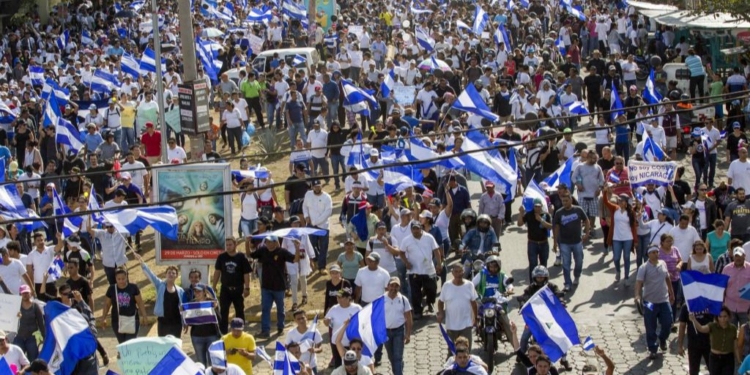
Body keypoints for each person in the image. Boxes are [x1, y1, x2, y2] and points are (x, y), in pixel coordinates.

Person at [248, 235, 301, 338]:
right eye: (267, 242)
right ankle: (265, 331)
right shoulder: (263, 250)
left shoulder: (282, 252)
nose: (269, 244)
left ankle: (280, 327)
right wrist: (247, 243)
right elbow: (250, 255)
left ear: (276, 242)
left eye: (271, 242)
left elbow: (295, 259)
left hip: (279, 287)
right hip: (266, 287)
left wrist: (297, 248)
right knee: (265, 309)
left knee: (280, 309)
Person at [635, 245, 676, 360]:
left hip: (664, 300)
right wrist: (637, 295)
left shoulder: (663, 263)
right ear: (648, 254)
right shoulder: (644, 268)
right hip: (649, 302)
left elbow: (667, 278)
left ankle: (662, 338)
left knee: (668, 322)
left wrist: (671, 293)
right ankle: (653, 349)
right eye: (652, 252)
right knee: (650, 325)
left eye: (656, 252)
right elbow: (639, 283)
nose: (655, 254)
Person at [400, 221, 442, 320]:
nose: (416, 230)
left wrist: (439, 264)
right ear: (411, 229)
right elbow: (401, 252)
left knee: (432, 289)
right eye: (414, 228)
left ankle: (430, 302)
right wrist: (406, 262)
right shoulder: (406, 240)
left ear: (421, 228)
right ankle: (418, 311)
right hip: (414, 270)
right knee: (415, 292)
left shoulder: (429, 237)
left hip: (428, 269)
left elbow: (436, 250)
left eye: (417, 228)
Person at [136, 253, 184, 337]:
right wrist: (141, 262)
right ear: (166, 274)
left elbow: (184, 308)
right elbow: (151, 275)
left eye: (173, 273)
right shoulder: (160, 285)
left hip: (176, 324)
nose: (171, 274)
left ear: (176, 276)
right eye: (169, 272)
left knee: (175, 346)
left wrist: (185, 322)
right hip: (163, 323)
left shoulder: (180, 290)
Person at [212, 237, 251, 334]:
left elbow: (246, 273)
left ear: (235, 244)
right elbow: (217, 272)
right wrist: (213, 286)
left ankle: (240, 331)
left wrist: (247, 288)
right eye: (227, 245)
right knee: (224, 312)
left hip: (238, 288)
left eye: (230, 245)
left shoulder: (241, 257)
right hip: (225, 289)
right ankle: (223, 333)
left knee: (239, 311)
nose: (228, 247)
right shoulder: (221, 257)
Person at [552, 192, 590, 292]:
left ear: (571, 200)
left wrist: (587, 233)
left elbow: (586, 220)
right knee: (566, 264)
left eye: (566, 200)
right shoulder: (559, 213)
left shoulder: (578, 209)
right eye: (563, 201)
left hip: (577, 242)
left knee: (579, 262)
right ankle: (567, 283)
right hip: (564, 243)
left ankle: (576, 276)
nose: (564, 202)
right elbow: (555, 227)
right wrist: (555, 243)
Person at [100, 268, 148, 344]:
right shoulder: (111, 289)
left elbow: (140, 302)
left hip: (132, 319)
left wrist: (144, 316)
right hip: (117, 321)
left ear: (127, 277)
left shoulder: (133, 288)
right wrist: (103, 318)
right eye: (118, 279)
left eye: (123, 278)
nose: (121, 281)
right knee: (122, 344)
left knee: (130, 343)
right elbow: (107, 304)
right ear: (115, 279)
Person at [438, 263, 478, 353]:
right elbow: (440, 302)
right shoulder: (447, 286)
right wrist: (441, 313)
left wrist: (476, 318)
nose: (459, 274)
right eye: (456, 271)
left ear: (463, 272)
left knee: (466, 351)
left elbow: (474, 303)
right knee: (452, 351)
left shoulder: (469, 285)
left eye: (461, 271)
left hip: (466, 324)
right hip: (451, 325)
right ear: (452, 273)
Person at [376, 277, 412, 375]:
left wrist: (408, 334)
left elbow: (408, 318)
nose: (393, 288)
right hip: (386, 332)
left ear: (399, 287)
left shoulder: (404, 300)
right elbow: (377, 317)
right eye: (392, 285)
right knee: (391, 357)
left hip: (399, 331)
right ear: (388, 286)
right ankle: (399, 367)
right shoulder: (381, 299)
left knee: (397, 357)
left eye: (396, 286)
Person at [602, 188, 638, 282]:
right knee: (616, 258)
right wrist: (605, 191)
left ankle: (626, 277)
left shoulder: (631, 212)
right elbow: (605, 201)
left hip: (628, 238)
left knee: (626, 257)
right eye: (619, 200)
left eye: (622, 201)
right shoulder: (615, 209)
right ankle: (618, 271)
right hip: (616, 238)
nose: (620, 202)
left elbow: (633, 227)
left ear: (626, 202)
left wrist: (635, 240)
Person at [689, 306, 737, 375]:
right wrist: (694, 320)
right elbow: (701, 328)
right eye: (720, 316)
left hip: (728, 358)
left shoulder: (733, 328)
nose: (722, 319)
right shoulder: (712, 326)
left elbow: (735, 346)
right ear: (717, 317)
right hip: (715, 358)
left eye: (725, 316)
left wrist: (738, 360)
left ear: (729, 317)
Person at [324, 287, 362, 368]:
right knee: (339, 365)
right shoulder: (334, 308)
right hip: (337, 342)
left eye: (342, 297)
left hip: (351, 342)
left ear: (349, 298)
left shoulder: (357, 308)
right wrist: (326, 321)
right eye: (338, 297)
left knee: (353, 364)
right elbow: (326, 322)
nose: (339, 299)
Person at [518, 198, 553, 282]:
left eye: (539, 206)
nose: (537, 208)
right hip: (532, 243)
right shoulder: (529, 214)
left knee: (543, 265)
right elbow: (519, 223)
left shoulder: (546, 215)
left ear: (541, 206)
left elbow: (550, 226)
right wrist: (521, 213)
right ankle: (532, 284)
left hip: (543, 243)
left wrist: (541, 220)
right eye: (535, 206)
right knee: (533, 265)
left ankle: (544, 283)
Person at [186, 283, 220, 367]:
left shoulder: (212, 303)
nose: (197, 293)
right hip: (197, 336)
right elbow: (189, 322)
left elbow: (219, 319)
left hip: (211, 336)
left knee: (212, 363)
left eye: (199, 291)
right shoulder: (191, 304)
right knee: (201, 364)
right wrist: (184, 313)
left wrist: (215, 309)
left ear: (204, 292)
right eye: (195, 291)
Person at [302, 180, 332, 273]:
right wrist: (306, 216)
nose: (317, 188)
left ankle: (322, 267)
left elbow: (328, 212)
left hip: (323, 226)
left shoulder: (327, 197)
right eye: (315, 186)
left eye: (318, 186)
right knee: (311, 244)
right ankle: (315, 261)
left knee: (323, 247)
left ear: (321, 186)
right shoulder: (308, 194)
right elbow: (304, 206)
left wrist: (315, 222)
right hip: (310, 225)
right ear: (312, 187)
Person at [677, 303, 712, 375]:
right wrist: (680, 345)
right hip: (694, 344)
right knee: (693, 371)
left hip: (710, 343)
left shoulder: (710, 304)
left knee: (713, 369)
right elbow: (682, 326)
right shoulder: (686, 306)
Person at [723, 247, 750, 325]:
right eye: (736, 256)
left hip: (746, 308)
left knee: (746, 334)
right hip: (730, 307)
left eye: (740, 256)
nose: (738, 258)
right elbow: (723, 287)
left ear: (744, 256)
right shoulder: (726, 269)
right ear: (733, 257)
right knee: (731, 334)